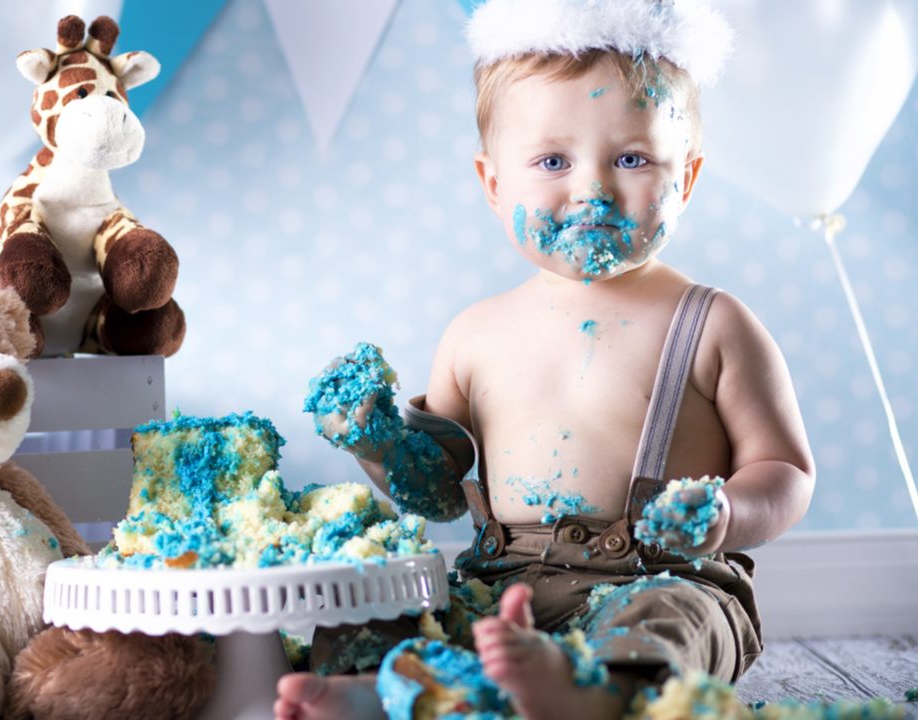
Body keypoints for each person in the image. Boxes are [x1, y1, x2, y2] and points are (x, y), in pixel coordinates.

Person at [275, 1, 815, 718]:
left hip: (660, 572)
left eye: (631, 159)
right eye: (553, 161)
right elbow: (433, 490)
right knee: (377, 600)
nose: (591, 188)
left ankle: (595, 694)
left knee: (676, 621)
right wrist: (375, 441)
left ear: (685, 177)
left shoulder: (713, 323)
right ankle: (395, 686)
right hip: (502, 580)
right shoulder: (476, 333)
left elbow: (786, 471)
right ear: (494, 183)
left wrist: (724, 514)